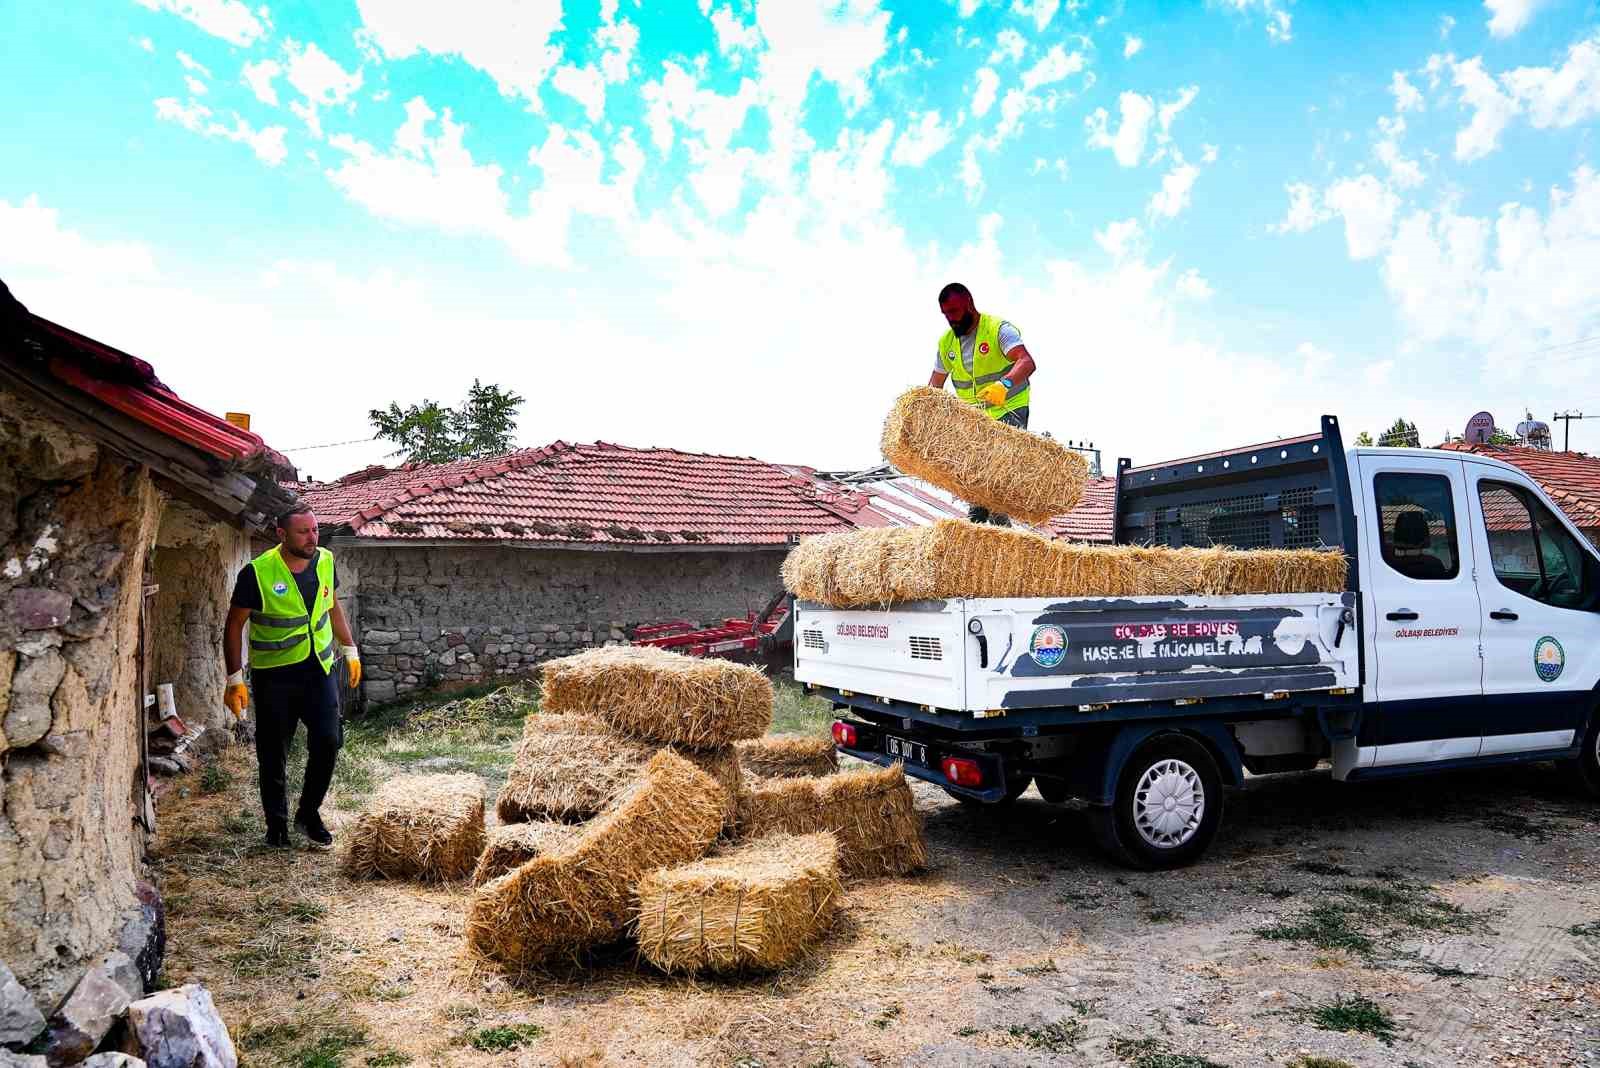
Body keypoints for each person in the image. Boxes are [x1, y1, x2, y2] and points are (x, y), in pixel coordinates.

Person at [222, 503, 360, 849]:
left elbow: (332, 605)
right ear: (282, 534)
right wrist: (234, 677)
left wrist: (350, 648)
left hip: (319, 670)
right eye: (304, 532)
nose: (312, 538)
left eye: (314, 530)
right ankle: (277, 826)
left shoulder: (325, 560)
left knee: (328, 741)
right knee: (273, 753)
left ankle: (308, 814)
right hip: (276, 677)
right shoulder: (257, 573)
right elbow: (234, 624)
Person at [928, 281, 1037, 526]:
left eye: (954, 312)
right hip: (975, 417)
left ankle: (983, 520)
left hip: (1009, 407)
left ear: (969, 304)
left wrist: (1005, 385)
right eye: (945, 315)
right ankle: (986, 524)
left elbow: (1027, 362)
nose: (951, 320)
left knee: (995, 467)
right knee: (976, 471)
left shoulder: (998, 329)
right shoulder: (947, 343)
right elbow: (935, 384)